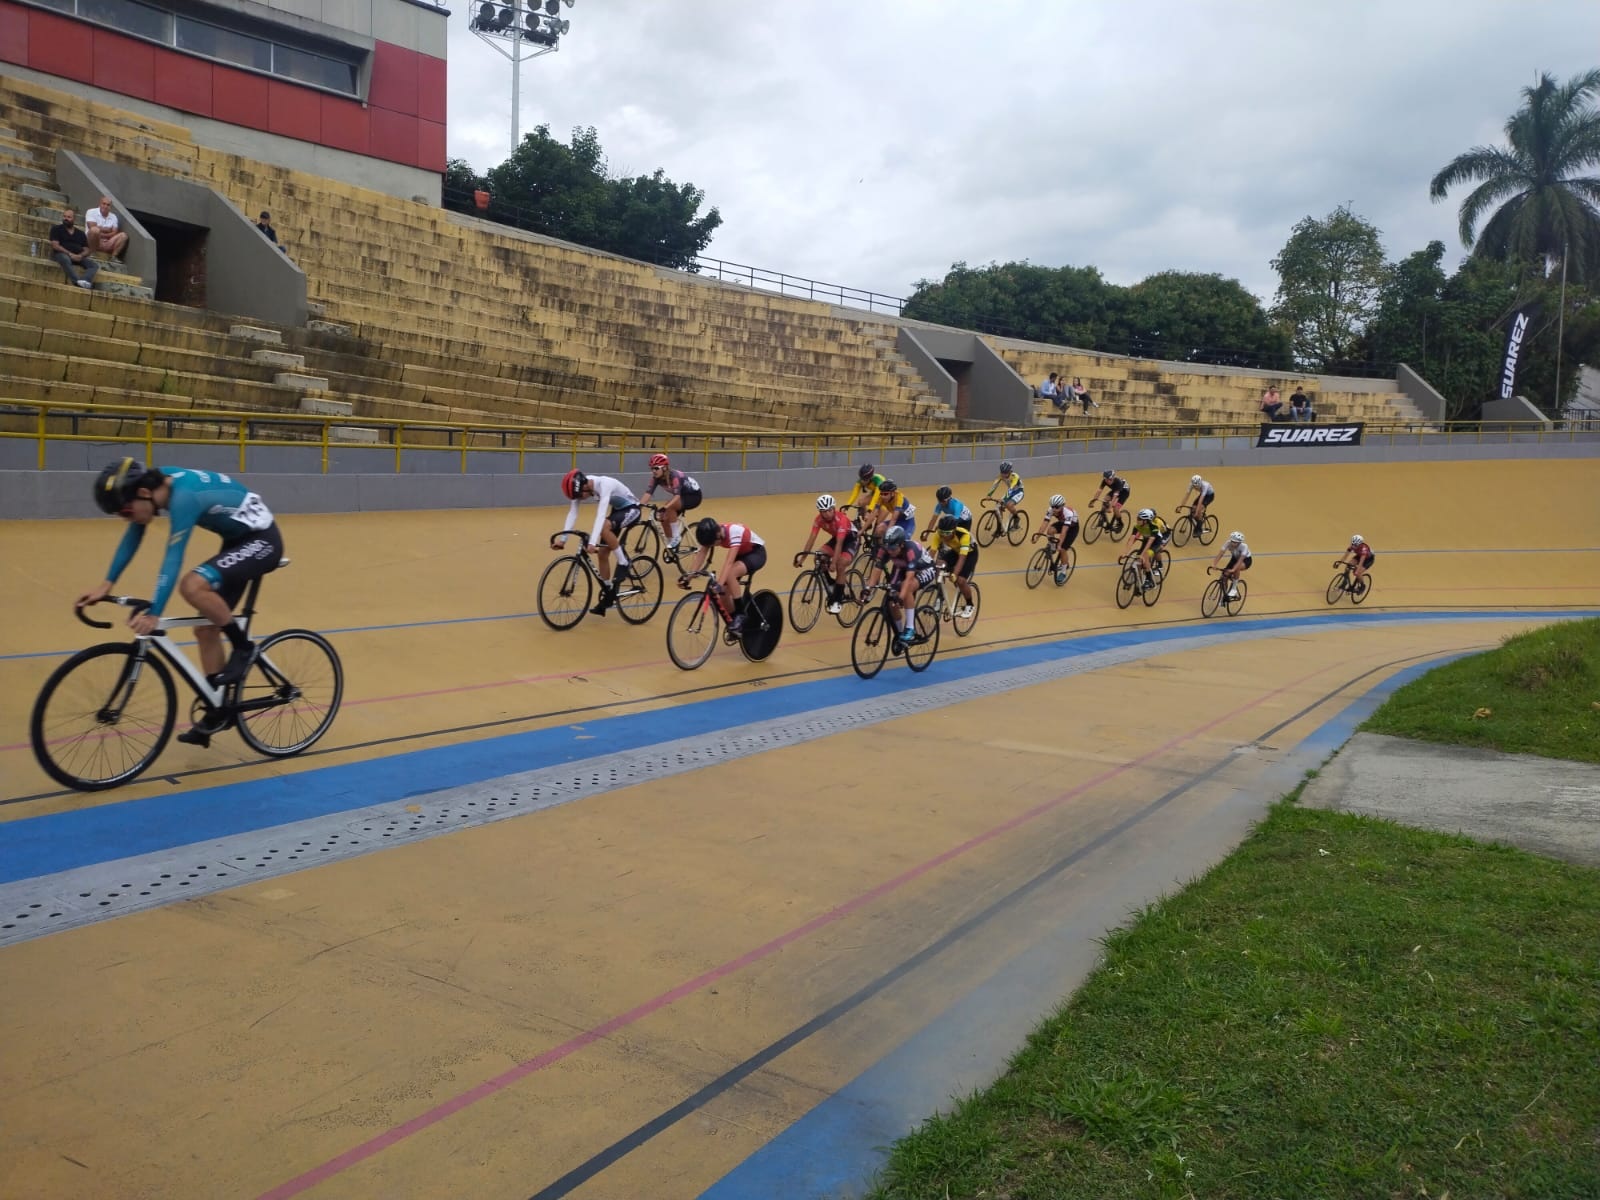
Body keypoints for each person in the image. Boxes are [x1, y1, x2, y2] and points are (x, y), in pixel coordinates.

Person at [78, 459, 284, 745]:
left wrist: (155, 613)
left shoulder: (184, 497)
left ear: (144, 494)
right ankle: (218, 709)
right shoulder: (154, 485)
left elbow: (173, 558)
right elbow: (132, 535)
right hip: (237, 542)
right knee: (205, 630)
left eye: (125, 511)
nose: (126, 518)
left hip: (263, 541)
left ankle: (244, 648)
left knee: (192, 585)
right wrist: (106, 585)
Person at [553, 468, 638, 616]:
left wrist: (592, 542)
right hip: (617, 511)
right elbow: (573, 513)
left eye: (580, 495)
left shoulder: (605, 484)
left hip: (632, 509)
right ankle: (608, 593)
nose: (580, 498)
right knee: (603, 555)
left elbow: (601, 515)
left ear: (585, 486)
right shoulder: (581, 485)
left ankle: (624, 562)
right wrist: (563, 540)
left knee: (604, 527)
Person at [678, 516, 767, 634]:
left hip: (756, 553)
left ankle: (741, 615)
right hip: (741, 555)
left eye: (713, 544)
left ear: (719, 536)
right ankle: (736, 626)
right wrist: (688, 577)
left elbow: (729, 562)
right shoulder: (713, 533)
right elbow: (702, 554)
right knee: (723, 595)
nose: (712, 546)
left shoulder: (734, 532)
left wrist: (719, 583)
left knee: (730, 574)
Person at [794, 494, 857, 615]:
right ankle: (831, 583)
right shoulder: (818, 520)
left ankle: (837, 601)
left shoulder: (841, 519)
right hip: (836, 538)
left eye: (830, 510)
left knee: (840, 564)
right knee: (818, 556)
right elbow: (811, 539)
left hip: (850, 539)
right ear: (820, 512)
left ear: (834, 508)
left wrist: (833, 562)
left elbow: (839, 543)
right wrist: (802, 559)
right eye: (824, 511)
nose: (827, 513)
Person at [878, 525, 939, 644]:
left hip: (925, 569)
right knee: (891, 599)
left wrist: (901, 597)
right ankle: (900, 633)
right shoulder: (888, 549)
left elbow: (909, 578)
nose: (890, 551)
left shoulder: (910, 549)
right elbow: (877, 569)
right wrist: (868, 589)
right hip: (903, 567)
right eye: (888, 549)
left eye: (893, 549)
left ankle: (910, 629)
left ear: (901, 545)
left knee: (907, 588)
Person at [640, 452, 701, 558]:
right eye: (652, 468)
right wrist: (638, 506)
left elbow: (677, 496)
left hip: (693, 496)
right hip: (681, 497)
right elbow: (648, 493)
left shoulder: (674, 476)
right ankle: (672, 547)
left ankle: (676, 537)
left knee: (668, 505)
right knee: (663, 518)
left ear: (664, 468)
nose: (653, 471)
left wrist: (666, 507)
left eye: (656, 468)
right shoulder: (656, 478)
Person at [926, 513, 978, 619]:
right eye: (942, 532)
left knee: (960, 580)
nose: (944, 536)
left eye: (947, 533)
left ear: (954, 530)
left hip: (969, 553)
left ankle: (969, 605)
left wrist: (954, 574)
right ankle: (940, 598)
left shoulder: (964, 535)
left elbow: (962, 558)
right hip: (955, 551)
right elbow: (932, 553)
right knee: (938, 566)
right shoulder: (938, 534)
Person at [1033, 494, 1080, 584]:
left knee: (1062, 549)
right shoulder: (1050, 510)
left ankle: (1063, 571)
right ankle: (1052, 547)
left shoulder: (1068, 513)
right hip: (1063, 523)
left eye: (1056, 507)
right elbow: (1044, 524)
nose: (1054, 509)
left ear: (1062, 506)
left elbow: (1064, 532)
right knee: (1050, 530)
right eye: (1052, 507)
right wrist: (1037, 537)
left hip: (1072, 528)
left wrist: (1059, 545)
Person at [48, 207, 99, 290]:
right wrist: (70, 254)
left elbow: (87, 249)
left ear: (74, 219)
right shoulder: (56, 229)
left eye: (69, 217)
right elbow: (55, 245)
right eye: (64, 216)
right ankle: (77, 281)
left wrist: (80, 256)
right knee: (65, 259)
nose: (66, 219)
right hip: (61, 254)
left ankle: (84, 280)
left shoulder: (80, 233)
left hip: (77, 256)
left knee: (93, 265)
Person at [1130, 506, 1171, 592]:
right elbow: (1139, 533)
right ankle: (1141, 582)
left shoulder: (1158, 523)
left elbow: (1155, 537)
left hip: (1164, 535)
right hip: (1153, 536)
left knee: (1158, 549)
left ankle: (1159, 565)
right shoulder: (1147, 523)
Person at [84, 196, 128, 262]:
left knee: (124, 236)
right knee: (95, 230)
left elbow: (115, 232)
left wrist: (99, 229)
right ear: (100, 204)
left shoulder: (113, 216)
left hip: (107, 243)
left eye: (108, 205)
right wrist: (107, 230)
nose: (105, 206)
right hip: (92, 242)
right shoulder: (91, 212)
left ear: (110, 207)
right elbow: (92, 227)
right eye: (104, 203)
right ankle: (92, 253)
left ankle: (113, 257)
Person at [985, 460, 1024, 535]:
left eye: (1005, 473)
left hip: (1018, 492)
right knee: (998, 506)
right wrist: (989, 495)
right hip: (1010, 491)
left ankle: (1016, 519)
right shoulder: (1001, 475)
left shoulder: (1015, 476)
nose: (1003, 474)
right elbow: (995, 485)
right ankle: (1000, 528)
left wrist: (1004, 500)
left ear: (1010, 471)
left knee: (1009, 505)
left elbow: (1011, 489)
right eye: (1002, 472)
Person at [843, 462, 886, 527]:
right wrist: (846, 507)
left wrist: (869, 511)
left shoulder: (878, 481)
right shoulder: (860, 481)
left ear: (870, 478)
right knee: (861, 502)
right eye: (861, 478)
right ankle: (868, 523)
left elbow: (875, 498)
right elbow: (854, 495)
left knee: (878, 525)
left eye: (864, 479)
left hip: (885, 498)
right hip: (876, 494)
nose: (862, 481)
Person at [1212, 530, 1252, 600]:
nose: (1233, 543)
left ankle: (1234, 589)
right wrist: (1214, 564)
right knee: (1224, 575)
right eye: (1232, 541)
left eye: (1235, 542)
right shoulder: (1228, 543)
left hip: (1246, 560)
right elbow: (1221, 553)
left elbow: (1240, 560)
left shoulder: (1244, 546)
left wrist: (1233, 569)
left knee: (1236, 568)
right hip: (1234, 559)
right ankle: (1224, 595)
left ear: (1239, 542)